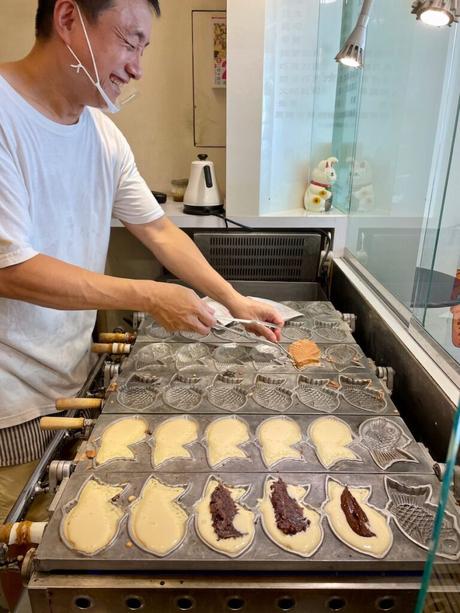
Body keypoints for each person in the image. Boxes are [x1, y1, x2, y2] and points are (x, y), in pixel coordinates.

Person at [0, 0, 283, 522]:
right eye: (129, 41)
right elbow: (12, 270)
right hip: (12, 408)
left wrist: (234, 301)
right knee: (25, 554)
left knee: (59, 531)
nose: (136, 66)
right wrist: (150, 296)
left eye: (143, 48)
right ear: (67, 20)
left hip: (70, 382)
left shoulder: (102, 134)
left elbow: (158, 230)